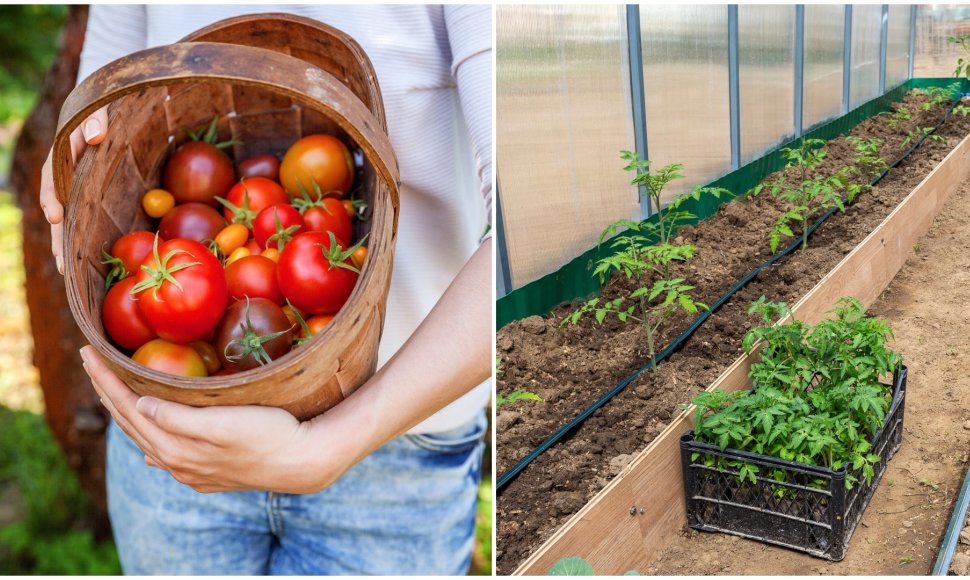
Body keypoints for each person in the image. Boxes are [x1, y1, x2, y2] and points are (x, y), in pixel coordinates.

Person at [38, 5, 492, 575]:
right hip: (173, 433)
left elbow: (513, 246)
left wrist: (330, 445)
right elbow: (104, 98)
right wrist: (71, 165)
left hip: (397, 444)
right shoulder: (222, 254)